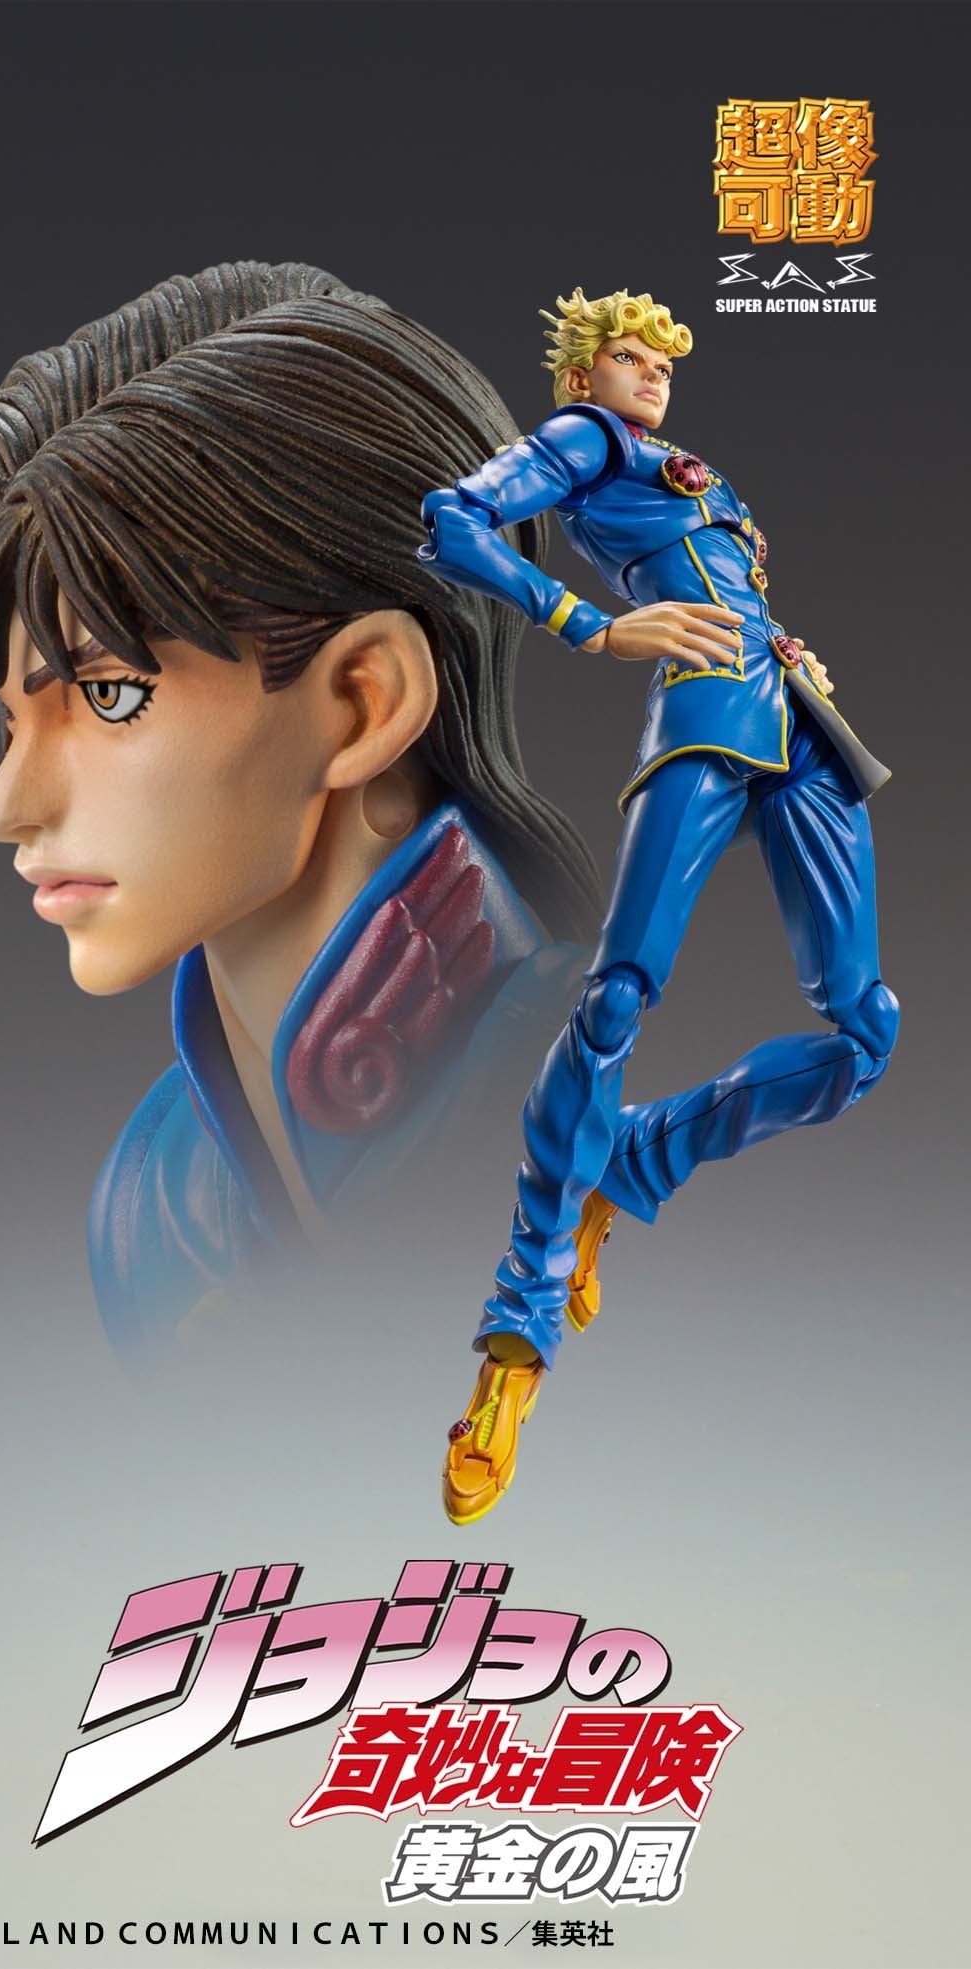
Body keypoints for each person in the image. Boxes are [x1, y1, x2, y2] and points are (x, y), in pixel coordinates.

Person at [0, 260, 602, 1367]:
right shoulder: (152, 1200)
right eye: (12, 718)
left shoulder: (602, 1100)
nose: (3, 807)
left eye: (109, 696)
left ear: (364, 699)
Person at [419, 286, 898, 1524]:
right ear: (585, 371)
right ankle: (518, 1334)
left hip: (797, 722)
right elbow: (454, 518)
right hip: (705, 721)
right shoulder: (587, 439)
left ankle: (633, 1158)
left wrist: (789, 648)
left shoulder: (693, 468)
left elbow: (729, 585)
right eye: (629, 357)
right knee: (618, 998)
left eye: (662, 363)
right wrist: (593, 626)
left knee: (865, 1037)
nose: (651, 376)